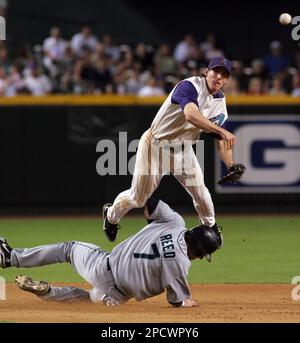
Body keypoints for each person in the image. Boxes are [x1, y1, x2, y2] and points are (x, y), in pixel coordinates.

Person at [103, 57, 242, 244]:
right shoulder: (190, 86)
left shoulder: (219, 103)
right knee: (138, 198)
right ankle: (111, 215)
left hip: (183, 150)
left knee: (200, 193)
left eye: (224, 74)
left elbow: (221, 140)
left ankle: (210, 227)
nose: (218, 76)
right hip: (155, 146)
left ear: (226, 80)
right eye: (215, 71)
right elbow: (191, 115)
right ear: (206, 72)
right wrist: (223, 131)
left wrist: (230, 164)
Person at [0, 198, 220, 307]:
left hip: (102, 268)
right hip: (116, 297)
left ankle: (10, 257)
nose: (198, 258)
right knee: (88, 299)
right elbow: (177, 301)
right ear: (199, 252)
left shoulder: (174, 221)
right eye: (201, 255)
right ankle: (47, 292)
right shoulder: (181, 264)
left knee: (69, 249)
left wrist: (119, 212)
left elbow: (150, 201)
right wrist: (187, 302)